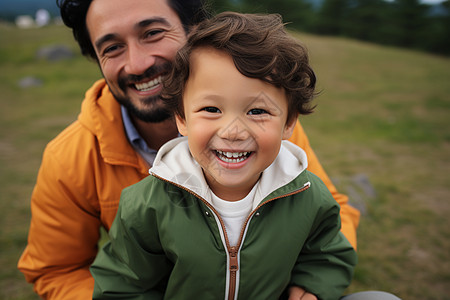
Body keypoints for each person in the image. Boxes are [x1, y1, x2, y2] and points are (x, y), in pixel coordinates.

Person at [17, 0, 362, 299]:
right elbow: (56, 270)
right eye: (112, 48)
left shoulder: (269, 132)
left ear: (194, 30)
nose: (137, 64)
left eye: (152, 32)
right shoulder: (71, 157)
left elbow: (329, 219)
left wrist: (311, 285)